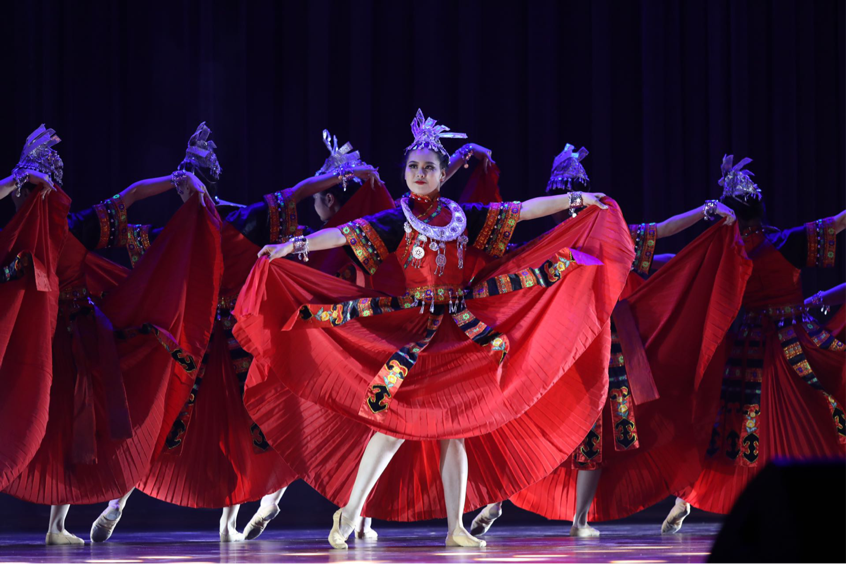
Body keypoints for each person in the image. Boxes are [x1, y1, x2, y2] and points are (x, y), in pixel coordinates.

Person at [233, 109, 636, 548]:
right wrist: (293, 246)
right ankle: (349, 512)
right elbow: (345, 234)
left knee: (454, 429)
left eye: (428, 167)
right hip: (414, 331)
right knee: (392, 425)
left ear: (444, 174)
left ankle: (455, 528)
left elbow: (521, 212)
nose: (420, 173)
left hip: (459, 332)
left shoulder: (463, 216)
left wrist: (577, 199)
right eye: (413, 166)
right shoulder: (398, 219)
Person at [90, 124, 387, 543]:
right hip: (203, 339)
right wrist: (345, 173)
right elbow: (297, 193)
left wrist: (346, 175)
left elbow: (297, 194)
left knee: (220, 420)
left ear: (186, 186)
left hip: (226, 339)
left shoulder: (225, 222)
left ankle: (135, 506)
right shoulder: (203, 228)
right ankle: (123, 504)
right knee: (190, 418)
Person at [471, 145, 750, 537]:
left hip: (602, 349)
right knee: (539, 423)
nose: (571, 211)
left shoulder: (609, 236)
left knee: (585, 429)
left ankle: (567, 517)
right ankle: (506, 503)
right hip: (562, 348)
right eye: (565, 201)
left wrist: (705, 211)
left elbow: (661, 230)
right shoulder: (547, 245)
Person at [1, 125, 220, 545]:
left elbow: (130, 196)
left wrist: (180, 179)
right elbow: (131, 195)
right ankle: (58, 525)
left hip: (68, 342)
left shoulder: (64, 228)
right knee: (56, 422)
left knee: (69, 424)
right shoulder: (25, 236)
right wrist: (18, 177)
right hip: (42, 341)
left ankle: (58, 526)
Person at [662, 155, 846, 533]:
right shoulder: (786, 242)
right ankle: (807, 497)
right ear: (760, 209)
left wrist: (639, 259)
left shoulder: (727, 253)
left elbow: (678, 261)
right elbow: (839, 222)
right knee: (813, 410)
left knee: (731, 422)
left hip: (748, 347)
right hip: (794, 340)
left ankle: (686, 497)